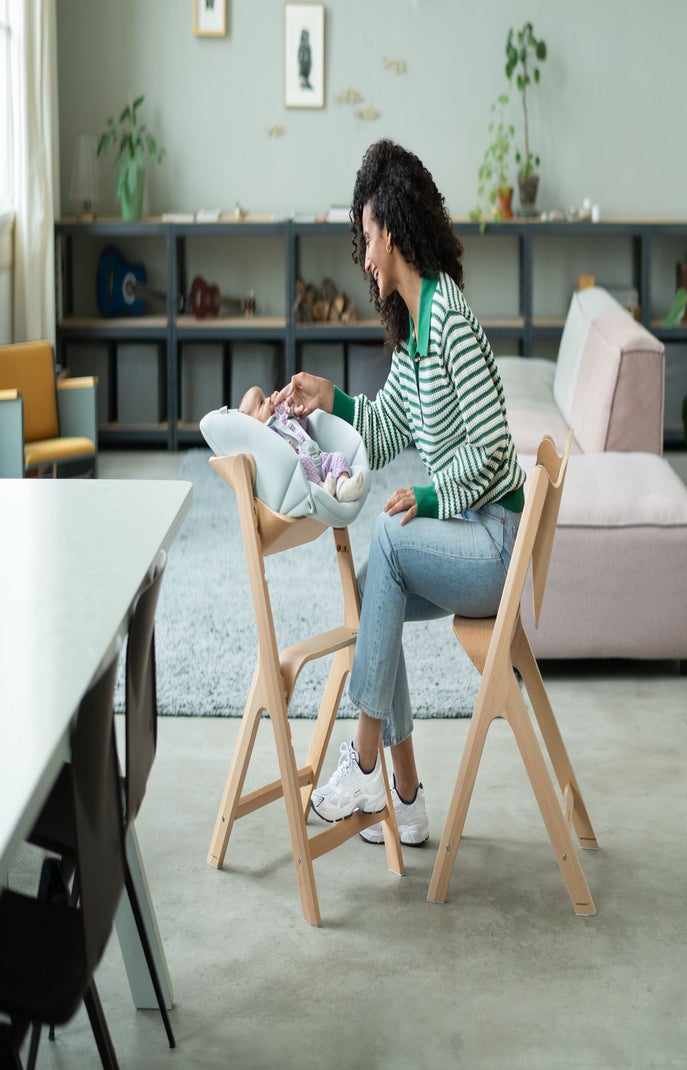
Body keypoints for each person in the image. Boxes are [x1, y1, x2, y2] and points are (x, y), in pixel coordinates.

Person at [276, 139, 526, 847]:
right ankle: (407, 800)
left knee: (387, 539)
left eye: (365, 239)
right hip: (470, 536)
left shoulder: (447, 315)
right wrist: (333, 400)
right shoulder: (415, 331)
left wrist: (430, 496)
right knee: (370, 592)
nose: (363, 257)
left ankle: (361, 764)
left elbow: (496, 452)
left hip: (493, 545)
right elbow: (387, 430)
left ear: (389, 228)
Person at [238, 385, 364, 502]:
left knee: (338, 457)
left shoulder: (283, 418)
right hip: (300, 467)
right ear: (252, 424)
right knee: (302, 463)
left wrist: (292, 411)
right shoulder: (265, 437)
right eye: (261, 403)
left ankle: (343, 485)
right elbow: (275, 461)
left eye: (265, 396)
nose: (268, 399)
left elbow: (300, 428)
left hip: (318, 456)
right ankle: (321, 489)